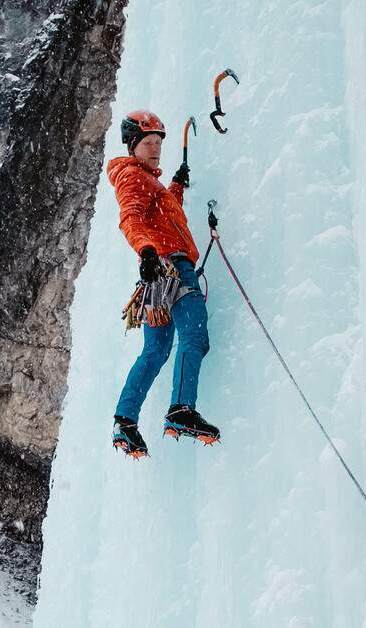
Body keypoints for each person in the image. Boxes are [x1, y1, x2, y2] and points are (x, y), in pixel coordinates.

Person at [107, 109, 219, 459]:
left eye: (158, 142)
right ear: (133, 145)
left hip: (156, 275)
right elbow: (131, 218)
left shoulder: (147, 181)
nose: (155, 148)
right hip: (170, 267)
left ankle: (125, 421)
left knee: (155, 352)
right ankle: (181, 409)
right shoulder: (133, 178)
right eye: (149, 143)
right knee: (195, 336)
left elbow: (161, 214)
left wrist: (176, 187)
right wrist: (147, 252)